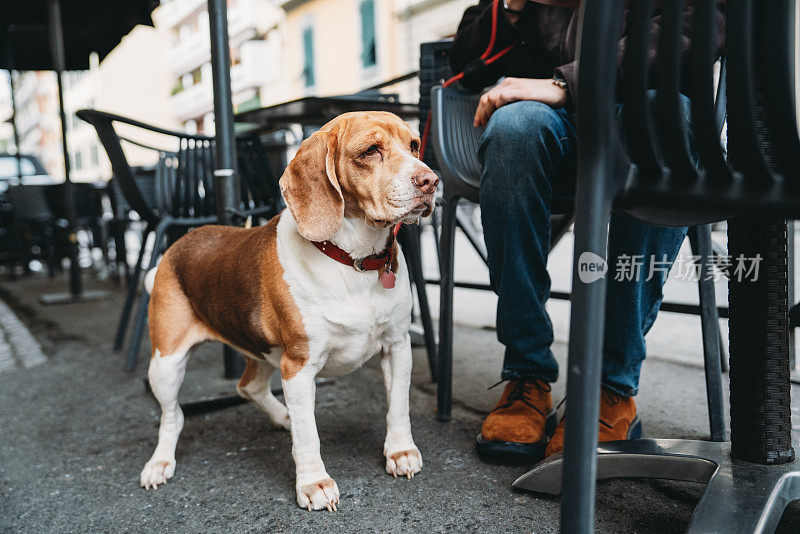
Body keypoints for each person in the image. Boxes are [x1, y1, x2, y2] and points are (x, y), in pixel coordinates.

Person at [450, 0, 725, 462]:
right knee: (515, 126)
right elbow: (465, 63)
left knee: (657, 115)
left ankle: (611, 386)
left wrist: (571, 82)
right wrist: (510, 10)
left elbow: (702, 28)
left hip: (652, 107)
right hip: (563, 124)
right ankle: (526, 373)